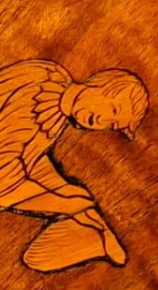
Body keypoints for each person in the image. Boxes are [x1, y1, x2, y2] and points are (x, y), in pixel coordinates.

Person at [0, 58, 145, 270]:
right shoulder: (40, 99)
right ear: (101, 85)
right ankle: (90, 233)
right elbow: (4, 179)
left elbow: (30, 156)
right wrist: (66, 203)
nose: (102, 121)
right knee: (72, 200)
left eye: (112, 125)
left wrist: (71, 196)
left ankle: (93, 233)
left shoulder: (54, 94)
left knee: (73, 194)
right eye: (113, 111)